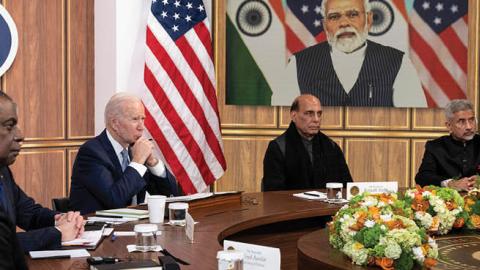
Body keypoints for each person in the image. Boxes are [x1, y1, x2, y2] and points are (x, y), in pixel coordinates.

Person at [286, 0, 426, 107]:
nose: (344, 23)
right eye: (334, 17)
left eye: (352, 14)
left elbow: (414, 123)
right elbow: (281, 124)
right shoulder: (298, 63)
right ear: (325, 26)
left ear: (369, 20)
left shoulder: (398, 62)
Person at [0, 91, 83, 252]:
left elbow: (28, 213)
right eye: (10, 126)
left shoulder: (4, 172)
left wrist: (59, 219)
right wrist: (57, 234)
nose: (20, 135)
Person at [69, 93, 178, 214]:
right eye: (135, 119)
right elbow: (115, 200)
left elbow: (171, 195)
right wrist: (137, 161)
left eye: (143, 119)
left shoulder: (134, 150)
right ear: (115, 124)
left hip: (133, 228)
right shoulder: (91, 152)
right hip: (98, 229)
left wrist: (153, 163)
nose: (141, 127)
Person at [262, 94, 352, 191]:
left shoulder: (331, 147)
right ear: (294, 116)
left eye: (319, 114)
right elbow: (273, 194)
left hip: (328, 205)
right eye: (309, 113)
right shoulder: (278, 147)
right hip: (291, 205)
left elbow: (347, 187)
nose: (316, 119)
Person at [415, 99, 478, 191]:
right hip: (449, 202)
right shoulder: (435, 147)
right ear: (449, 126)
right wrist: (450, 183)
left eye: (471, 120)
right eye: (461, 121)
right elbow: (422, 177)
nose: (469, 127)